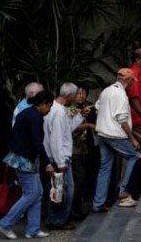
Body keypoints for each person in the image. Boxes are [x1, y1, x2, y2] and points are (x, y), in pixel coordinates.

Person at [0, 90, 56, 240]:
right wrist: (47, 163)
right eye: (49, 106)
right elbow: (37, 142)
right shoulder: (35, 117)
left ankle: (33, 229)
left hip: (21, 158)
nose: (49, 110)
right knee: (31, 193)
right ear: (44, 104)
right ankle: (6, 223)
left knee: (37, 193)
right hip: (25, 160)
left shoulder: (27, 113)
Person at [92, 68, 141, 213]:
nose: (133, 84)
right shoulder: (120, 94)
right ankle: (124, 190)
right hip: (115, 135)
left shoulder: (106, 90)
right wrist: (133, 139)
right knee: (134, 157)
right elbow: (122, 120)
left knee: (105, 168)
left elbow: (97, 107)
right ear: (128, 80)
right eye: (132, 81)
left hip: (102, 133)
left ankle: (98, 203)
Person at [43, 83, 85, 230]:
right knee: (64, 190)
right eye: (75, 95)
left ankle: (55, 218)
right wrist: (61, 162)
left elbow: (68, 129)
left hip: (57, 158)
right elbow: (56, 139)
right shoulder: (59, 112)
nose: (77, 97)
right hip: (59, 159)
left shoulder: (57, 110)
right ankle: (58, 220)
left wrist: (80, 116)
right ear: (69, 96)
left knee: (58, 190)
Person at [71, 85, 96, 221]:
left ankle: (77, 208)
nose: (81, 96)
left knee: (83, 178)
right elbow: (72, 129)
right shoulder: (70, 109)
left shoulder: (88, 107)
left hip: (85, 149)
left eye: (83, 93)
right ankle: (73, 210)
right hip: (73, 149)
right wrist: (87, 125)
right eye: (78, 93)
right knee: (79, 178)